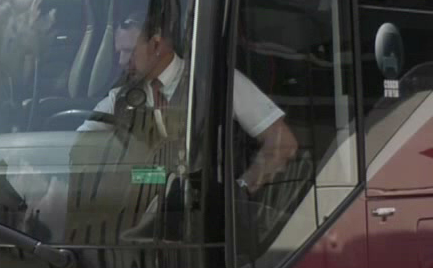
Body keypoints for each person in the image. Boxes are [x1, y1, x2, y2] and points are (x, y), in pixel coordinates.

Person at [81, 14, 298, 194]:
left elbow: (282, 144)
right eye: (118, 52)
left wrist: (239, 190)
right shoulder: (120, 98)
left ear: (156, 45)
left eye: (128, 51)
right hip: (135, 223)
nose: (120, 61)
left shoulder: (216, 82)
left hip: (202, 224)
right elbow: (80, 145)